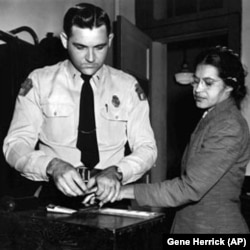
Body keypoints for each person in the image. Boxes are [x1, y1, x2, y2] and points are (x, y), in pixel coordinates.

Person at [2, 3, 157, 206]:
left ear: (109, 40)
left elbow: (147, 148)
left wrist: (118, 171)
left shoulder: (128, 86)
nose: (91, 58)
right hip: (54, 197)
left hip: (110, 196)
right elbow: (14, 145)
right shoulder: (40, 81)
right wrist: (52, 166)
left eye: (99, 47)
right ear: (65, 40)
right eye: (80, 47)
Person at [115, 46, 250, 233]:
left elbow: (189, 188)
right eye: (196, 81)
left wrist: (122, 191)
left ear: (229, 86)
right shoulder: (213, 118)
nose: (198, 89)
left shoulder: (229, 126)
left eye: (208, 83)